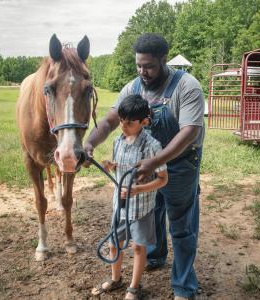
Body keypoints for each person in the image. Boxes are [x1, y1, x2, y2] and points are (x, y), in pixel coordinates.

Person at [85, 33, 205, 300]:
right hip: (145, 166)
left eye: (149, 66)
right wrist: (90, 143)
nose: (143, 71)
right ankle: (155, 256)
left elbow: (190, 132)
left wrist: (156, 162)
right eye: (139, 65)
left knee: (182, 226)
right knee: (151, 213)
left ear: (164, 60)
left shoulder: (187, 87)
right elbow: (108, 121)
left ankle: (184, 286)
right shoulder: (133, 88)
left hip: (181, 164)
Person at [91, 94, 168, 300]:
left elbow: (163, 179)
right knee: (114, 243)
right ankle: (116, 280)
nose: (123, 126)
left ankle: (134, 287)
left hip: (141, 208)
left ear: (145, 122)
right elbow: (122, 166)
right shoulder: (118, 141)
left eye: (129, 123)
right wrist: (112, 166)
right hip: (120, 206)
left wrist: (138, 190)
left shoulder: (153, 146)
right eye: (121, 122)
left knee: (137, 246)